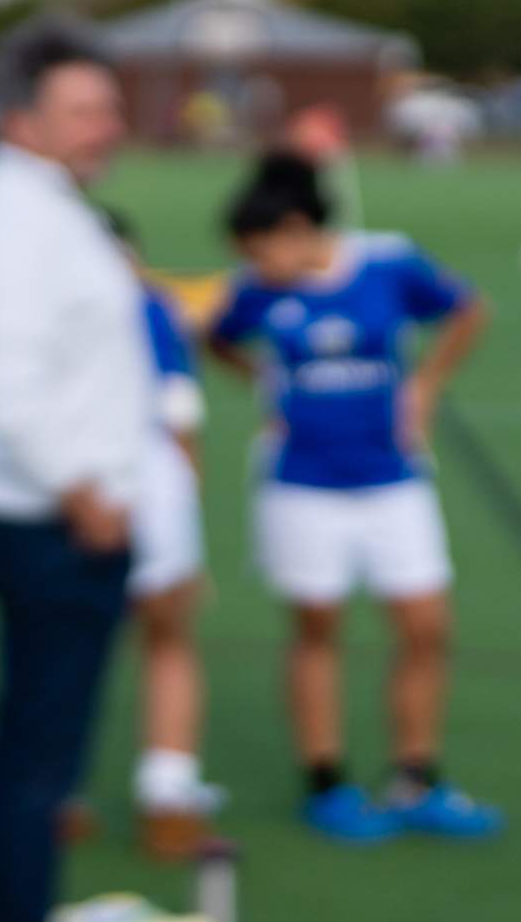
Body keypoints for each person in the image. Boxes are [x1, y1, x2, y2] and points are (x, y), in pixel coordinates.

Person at [0, 18, 154, 922]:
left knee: (27, 749)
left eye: (109, 105)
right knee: (37, 760)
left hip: (53, 513)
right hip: (52, 520)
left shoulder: (40, 203)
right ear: (24, 119)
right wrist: (85, 493)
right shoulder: (20, 219)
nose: (107, 124)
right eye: (85, 109)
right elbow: (7, 388)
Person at [204, 151, 499, 843]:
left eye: (259, 248)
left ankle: (416, 777)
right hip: (301, 484)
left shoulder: (389, 263)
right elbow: (217, 337)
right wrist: (262, 381)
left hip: (393, 476)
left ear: (299, 228)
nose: (254, 264)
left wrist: (425, 383)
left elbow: (468, 308)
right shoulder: (256, 289)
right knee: (317, 628)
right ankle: (326, 782)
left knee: (426, 626)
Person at [95, 208, 223, 860]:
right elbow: (180, 409)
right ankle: (167, 799)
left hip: (65, 488)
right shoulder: (152, 304)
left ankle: (59, 798)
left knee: (70, 650)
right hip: (150, 482)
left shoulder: (45, 304)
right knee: (169, 637)